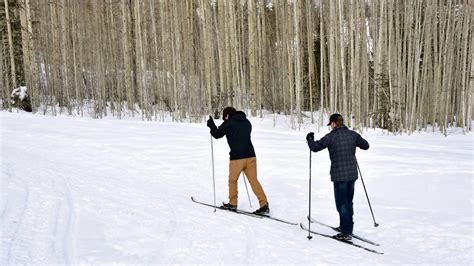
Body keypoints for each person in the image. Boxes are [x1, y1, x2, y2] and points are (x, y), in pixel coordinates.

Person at [306, 113, 369, 241]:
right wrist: (354, 144)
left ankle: (346, 232)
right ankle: (345, 226)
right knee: (348, 202)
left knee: (341, 204)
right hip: (352, 174)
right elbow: (366, 145)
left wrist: (310, 139)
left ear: (334, 123)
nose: (331, 127)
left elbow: (315, 147)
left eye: (331, 124)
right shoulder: (353, 135)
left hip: (339, 175)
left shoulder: (331, 136)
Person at [207, 107, 269, 214]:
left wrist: (211, 125)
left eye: (224, 118)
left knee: (232, 180)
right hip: (251, 156)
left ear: (227, 115)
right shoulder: (247, 122)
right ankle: (264, 205)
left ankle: (233, 203)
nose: (224, 120)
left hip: (237, 158)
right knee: (254, 181)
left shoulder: (229, 122)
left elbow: (217, 134)